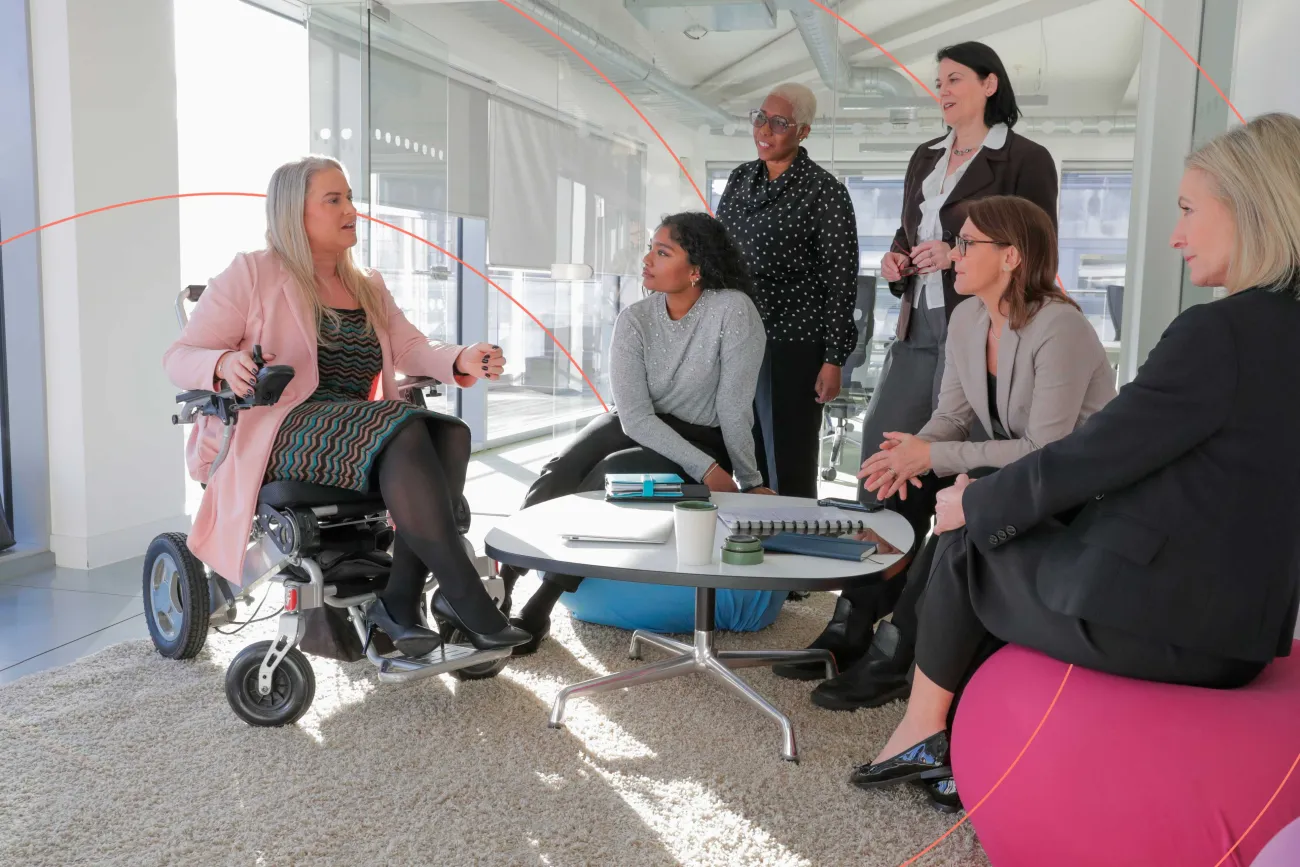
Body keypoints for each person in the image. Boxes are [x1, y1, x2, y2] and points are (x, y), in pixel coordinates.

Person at [851, 112, 1300, 813]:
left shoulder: (1219, 334)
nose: (1175, 234)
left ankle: (918, 729)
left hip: (1167, 622)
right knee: (992, 510)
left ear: (1249, 207)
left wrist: (972, 502)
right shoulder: (1280, 333)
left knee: (971, 536)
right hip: (1243, 625)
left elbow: (1089, 456)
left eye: (1186, 211)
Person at [774, 41, 1060, 692]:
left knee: (952, 478)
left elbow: (1036, 244)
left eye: (956, 79)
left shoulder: (1023, 158)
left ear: (991, 83)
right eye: (939, 82)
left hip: (983, 334)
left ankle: (907, 639)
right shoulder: (926, 158)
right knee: (883, 470)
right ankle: (852, 621)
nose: (944, 90)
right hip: (917, 332)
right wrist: (899, 262)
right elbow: (908, 237)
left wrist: (957, 251)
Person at [164, 156, 529, 658]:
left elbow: (411, 349)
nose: (351, 209)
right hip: (281, 431)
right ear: (296, 213)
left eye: (350, 197)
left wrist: (462, 357)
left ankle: (399, 602)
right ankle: (460, 594)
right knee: (401, 424)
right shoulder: (252, 274)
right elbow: (180, 357)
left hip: (360, 431)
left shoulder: (366, 286)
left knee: (448, 432)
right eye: (333, 200)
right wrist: (225, 362)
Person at [790, 196, 1117, 707]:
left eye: (966, 243)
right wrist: (910, 453)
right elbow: (953, 417)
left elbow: (1045, 451)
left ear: (1011, 257)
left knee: (960, 501)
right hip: (1010, 467)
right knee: (898, 481)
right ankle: (851, 622)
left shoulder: (1061, 328)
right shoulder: (968, 319)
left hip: (1066, 487)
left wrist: (934, 457)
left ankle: (899, 650)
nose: (953, 254)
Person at [501, 212, 774, 654]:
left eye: (663, 252)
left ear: (696, 268)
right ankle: (504, 580)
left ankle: (543, 603)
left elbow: (734, 406)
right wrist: (706, 471)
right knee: (560, 469)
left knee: (609, 476)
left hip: (701, 435)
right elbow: (633, 416)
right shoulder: (635, 318)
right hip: (637, 421)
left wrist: (746, 480)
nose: (647, 259)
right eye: (650, 247)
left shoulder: (732, 310)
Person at [716, 81, 859, 499]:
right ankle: (746, 545)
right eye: (760, 117)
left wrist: (833, 359)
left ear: (803, 132)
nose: (765, 129)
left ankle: (794, 547)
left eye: (779, 123)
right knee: (740, 450)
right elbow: (717, 251)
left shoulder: (825, 192)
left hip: (792, 342)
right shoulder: (741, 178)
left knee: (787, 459)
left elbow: (841, 279)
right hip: (737, 336)